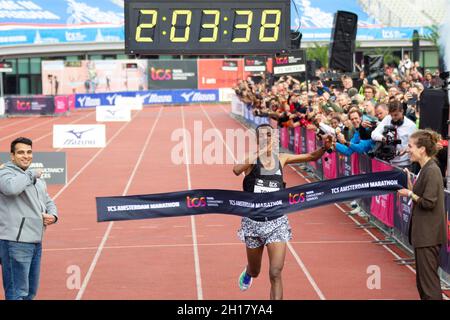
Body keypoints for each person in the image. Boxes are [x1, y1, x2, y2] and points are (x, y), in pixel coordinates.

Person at [232, 124, 333, 300]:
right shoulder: (251, 159)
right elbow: (236, 170)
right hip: (253, 223)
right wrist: (261, 151)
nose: (267, 139)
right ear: (257, 140)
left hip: (276, 222)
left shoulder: (282, 159)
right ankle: (249, 272)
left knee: (275, 273)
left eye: (270, 135)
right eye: (263, 136)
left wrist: (325, 147)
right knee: (256, 270)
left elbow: (311, 156)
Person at [0, 137, 58, 300]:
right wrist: (32, 174)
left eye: (29, 152)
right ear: (12, 156)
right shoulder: (5, 173)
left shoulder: (34, 177)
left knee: (30, 293)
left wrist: (53, 216)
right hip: (15, 242)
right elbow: (11, 188)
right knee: (17, 293)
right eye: (20, 153)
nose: (26, 156)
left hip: (35, 240)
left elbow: (47, 200)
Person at [397, 130, 446, 300]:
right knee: (423, 284)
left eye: (410, 146)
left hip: (428, 236)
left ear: (422, 149)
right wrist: (410, 185)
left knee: (429, 285)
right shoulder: (425, 169)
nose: (408, 149)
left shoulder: (432, 170)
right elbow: (423, 197)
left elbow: (428, 202)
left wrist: (410, 194)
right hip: (424, 235)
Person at [371, 100, 417, 168]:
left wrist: (406, 150)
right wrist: (384, 139)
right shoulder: (387, 119)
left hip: (404, 164)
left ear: (402, 111)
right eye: (391, 115)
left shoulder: (411, 126)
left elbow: (414, 145)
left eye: (396, 115)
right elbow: (374, 134)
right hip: (387, 162)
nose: (393, 118)